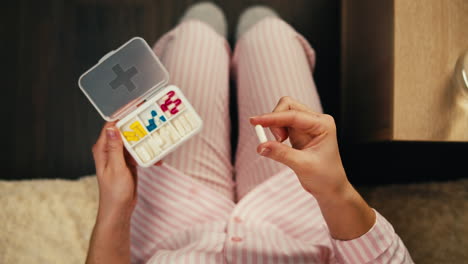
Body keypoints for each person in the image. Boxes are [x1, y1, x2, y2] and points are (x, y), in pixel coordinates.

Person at [86, 3, 413, 263]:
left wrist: (117, 206)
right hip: (299, 210)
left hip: (173, 221)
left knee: (197, 32)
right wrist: (335, 190)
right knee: (268, 31)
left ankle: (207, 36)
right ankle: (246, 39)